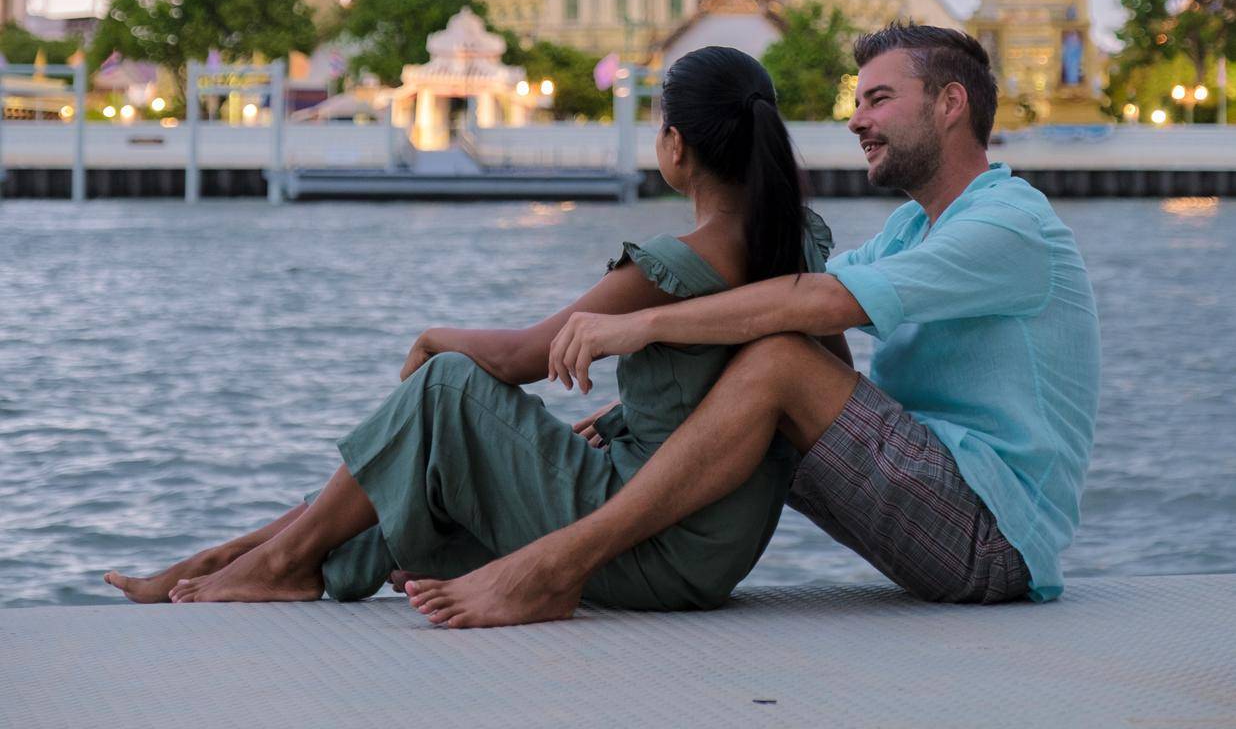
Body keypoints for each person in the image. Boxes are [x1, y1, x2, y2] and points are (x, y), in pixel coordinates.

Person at [404, 25, 1101, 629]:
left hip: (993, 540)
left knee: (779, 360)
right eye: (856, 102)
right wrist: (635, 405)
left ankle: (556, 566)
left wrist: (644, 324)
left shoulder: (1009, 224)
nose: (857, 120)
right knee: (769, 348)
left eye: (879, 99)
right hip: (939, 511)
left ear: (952, 104)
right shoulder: (916, 227)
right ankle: (402, 545)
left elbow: (818, 306)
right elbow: (786, 297)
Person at [104, 46, 843, 609]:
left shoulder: (671, 265)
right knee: (422, 461)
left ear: (675, 146)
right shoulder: (801, 244)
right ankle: (239, 558)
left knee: (447, 387)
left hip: (646, 533)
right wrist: (624, 415)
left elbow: (523, 357)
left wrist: (431, 338)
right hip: (715, 547)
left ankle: (271, 565)